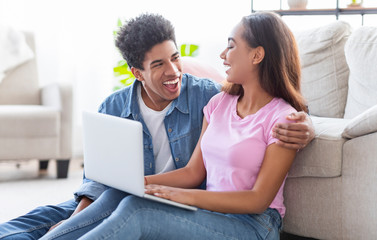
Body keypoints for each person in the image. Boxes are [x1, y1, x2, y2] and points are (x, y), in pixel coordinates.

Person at [0, 13, 314, 240]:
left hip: (253, 223)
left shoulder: (281, 119)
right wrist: (137, 184)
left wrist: (176, 196)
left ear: (258, 55)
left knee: (138, 210)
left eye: (231, 45)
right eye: (159, 64)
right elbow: (193, 172)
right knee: (114, 198)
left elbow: (258, 200)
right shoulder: (219, 104)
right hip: (205, 213)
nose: (222, 55)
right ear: (137, 72)